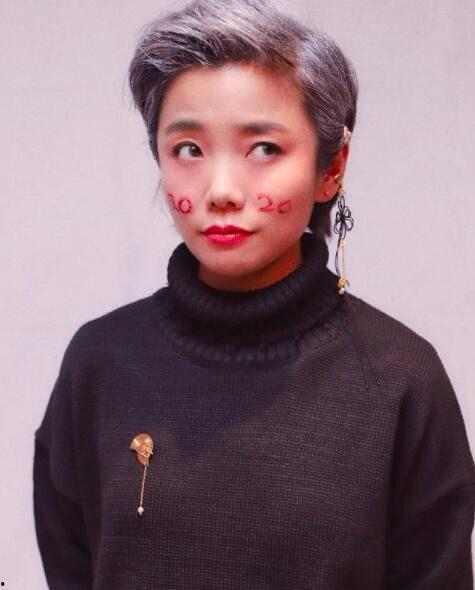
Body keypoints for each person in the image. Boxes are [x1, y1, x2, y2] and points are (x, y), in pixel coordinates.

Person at [33, 0, 475, 588]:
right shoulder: (99, 364)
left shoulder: (399, 380)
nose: (221, 190)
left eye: (264, 148)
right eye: (188, 149)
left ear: (331, 168)